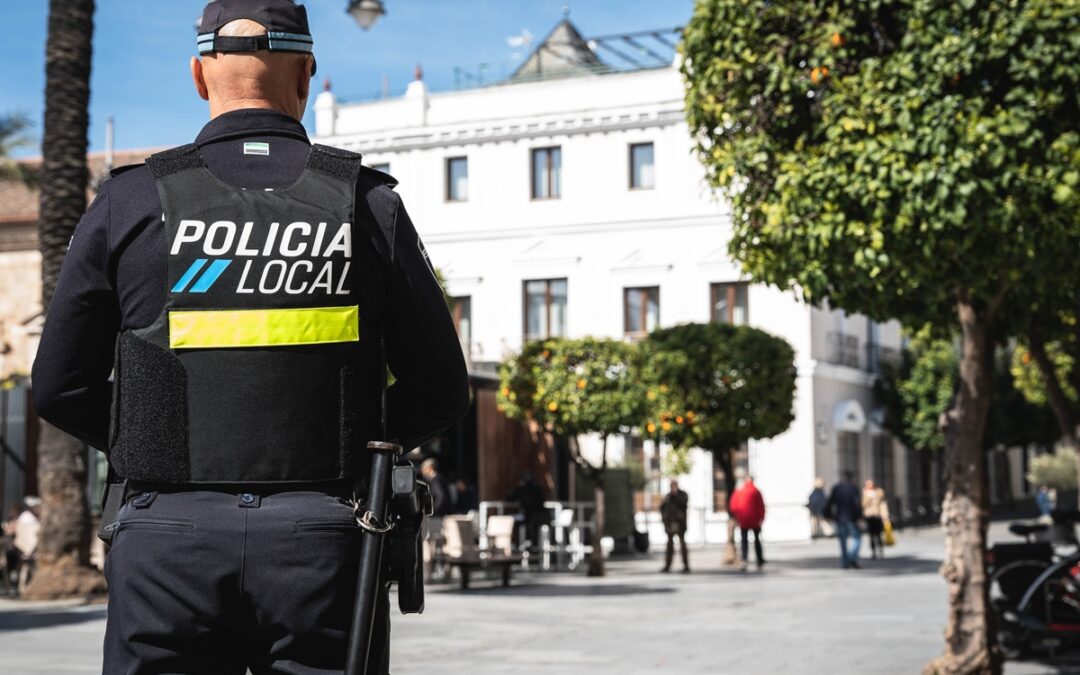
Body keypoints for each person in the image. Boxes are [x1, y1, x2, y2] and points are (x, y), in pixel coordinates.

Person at [30, 2, 469, 672]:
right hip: (323, 544)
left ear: (199, 76)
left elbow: (60, 387)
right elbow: (441, 389)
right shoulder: (367, 204)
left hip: (165, 547)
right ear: (307, 73)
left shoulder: (128, 202)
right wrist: (346, 440)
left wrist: (156, 444)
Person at [827, 471, 864, 569]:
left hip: (840, 518)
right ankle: (852, 558)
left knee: (843, 541)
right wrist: (859, 516)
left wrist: (829, 516)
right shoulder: (853, 488)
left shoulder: (837, 488)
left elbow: (830, 502)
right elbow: (857, 504)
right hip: (851, 518)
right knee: (857, 538)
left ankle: (845, 562)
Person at [729, 476, 766, 569]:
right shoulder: (756, 491)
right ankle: (759, 559)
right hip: (755, 521)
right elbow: (761, 506)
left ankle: (744, 559)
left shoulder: (739, 491)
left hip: (743, 520)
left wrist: (737, 517)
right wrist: (761, 518)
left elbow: (733, 506)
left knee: (744, 541)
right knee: (757, 540)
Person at [508, 474, 548, 548]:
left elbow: (509, 498)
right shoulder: (538, 488)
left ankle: (516, 543)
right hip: (539, 515)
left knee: (511, 520)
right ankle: (530, 543)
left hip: (528, 515)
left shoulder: (521, 489)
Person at [659, 479, 690, 573]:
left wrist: (675, 496)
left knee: (682, 544)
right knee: (669, 545)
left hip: (680, 523)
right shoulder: (667, 496)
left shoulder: (682, 495)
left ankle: (686, 565)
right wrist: (664, 520)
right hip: (670, 523)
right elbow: (662, 508)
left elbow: (684, 504)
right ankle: (667, 565)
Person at [13, 496, 41, 595]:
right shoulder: (32, 521)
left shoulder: (22, 518)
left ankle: (22, 586)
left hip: (22, 549)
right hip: (30, 549)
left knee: (25, 567)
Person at [862, 479, 891, 559]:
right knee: (871, 535)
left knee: (878, 534)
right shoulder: (864, 493)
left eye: (870, 484)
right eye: (867, 484)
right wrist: (867, 496)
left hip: (877, 515)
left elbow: (883, 505)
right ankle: (873, 551)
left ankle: (880, 549)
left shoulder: (879, 492)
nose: (869, 486)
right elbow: (863, 505)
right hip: (869, 516)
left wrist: (885, 516)